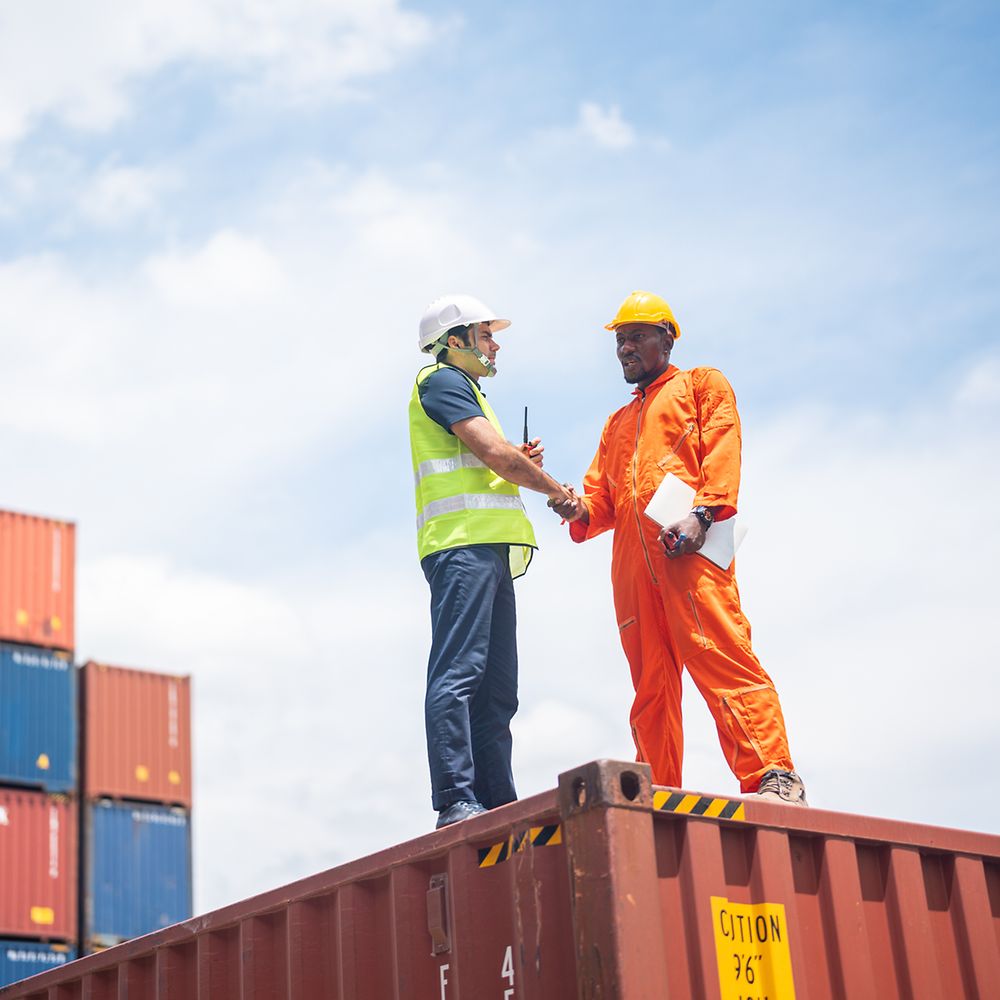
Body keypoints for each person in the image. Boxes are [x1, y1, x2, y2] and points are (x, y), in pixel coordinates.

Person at [552, 291, 807, 805]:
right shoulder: (616, 424)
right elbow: (602, 503)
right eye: (620, 340)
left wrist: (704, 513)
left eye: (636, 337)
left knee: (723, 658)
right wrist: (572, 506)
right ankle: (656, 794)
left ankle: (772, 776)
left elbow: (723, 447)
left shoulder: (700, 385)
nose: (625, 348)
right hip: (632, 569)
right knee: (650, 689)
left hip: (688, 554)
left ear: (667, 337)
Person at [410, 293, 573, 828]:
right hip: (461, 547)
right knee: (459, 674)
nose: (495, 343)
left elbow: (492, 464)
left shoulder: (469, 391)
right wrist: (558, 492)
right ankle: (456, 798)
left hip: (487, 551)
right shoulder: (443, 382)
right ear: (455, 343)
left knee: (497, 687)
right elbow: (496, 456)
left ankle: (496, 801)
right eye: (486, 334)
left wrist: (516, 465)